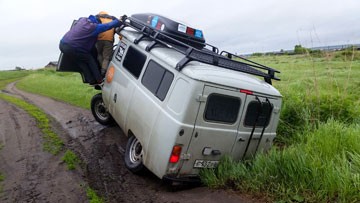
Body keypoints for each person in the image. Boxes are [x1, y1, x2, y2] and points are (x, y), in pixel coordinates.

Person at [59, 15, 121, 85]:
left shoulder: (83, 20)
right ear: (97, 23)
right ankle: (99, 79)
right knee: (90, 59)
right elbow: (107, 26)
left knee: (81, 61)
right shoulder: (93, 27)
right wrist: (118, 21)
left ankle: (91, 80)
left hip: (62, 44)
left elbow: (80, 18)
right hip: (72, 47)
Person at [96, 11, 117, 76]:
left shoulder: (98, 18)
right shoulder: (112, 19)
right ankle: (104, 71)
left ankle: (101, 68)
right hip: (109, 40)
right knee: (106, 57)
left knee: (99, 54)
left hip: (99, 39)